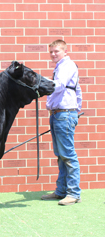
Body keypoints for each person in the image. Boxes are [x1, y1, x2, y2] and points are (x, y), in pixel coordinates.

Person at [42, 39, 82, 205]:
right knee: (61, 155)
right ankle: (61, 191)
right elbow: (76, 91)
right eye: (51, 52)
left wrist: (41, 83)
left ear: (65, 51)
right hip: (59, 114)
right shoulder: (60, 66)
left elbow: (59, 86)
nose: (53, 54)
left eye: (56, 51)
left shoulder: (67, 65)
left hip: (64, 114)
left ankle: (73, 193)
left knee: (68, 154)